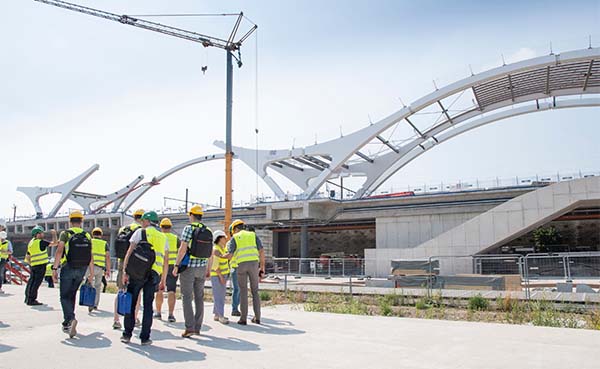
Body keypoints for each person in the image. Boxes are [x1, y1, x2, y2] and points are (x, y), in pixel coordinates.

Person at [120, 211, 168, 346]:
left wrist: (125, 271)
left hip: (137, 272)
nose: (142, 223)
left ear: (147, 221)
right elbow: (165, 260)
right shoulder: (162, 237)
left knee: (132, 302)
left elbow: (129, 252)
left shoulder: (140, 232)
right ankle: (145, 337)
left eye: (143, 221)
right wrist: (163, 279)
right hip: (154, 274)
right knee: (148, 305)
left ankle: (127, 334)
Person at [52, 211, 94, 338]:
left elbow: (59, 251)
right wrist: (91, 273)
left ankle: (70, 319)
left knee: (64, 296)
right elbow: (90, 255)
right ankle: (68, 322)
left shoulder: (66, 233)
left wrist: (54, 268)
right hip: (82, 268)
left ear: (70, 221)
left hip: (68, 266)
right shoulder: (86, 234)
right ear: (81, 222)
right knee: (72, 294)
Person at [172, 205, 210, 338]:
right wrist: (208, 269)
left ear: (191, 215)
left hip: (189, 267)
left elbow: (182, 249)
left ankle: (189, 328)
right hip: (202, 267)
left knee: (186, 297)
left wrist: (176, 265)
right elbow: (209, 253)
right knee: (199, 297)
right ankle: (198, 327)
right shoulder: (207, 230)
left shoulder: (188, 228)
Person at [227, 219, 265, 325]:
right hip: (253, 265)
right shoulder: (253, 235)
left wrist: (219, 255)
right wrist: (262, 268)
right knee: (255, 291)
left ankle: (243, 319)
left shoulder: (235, 237)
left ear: (235, 229)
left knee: (243, 291)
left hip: (241, 266)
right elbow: (261, 251)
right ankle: (257, 318)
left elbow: (230, 255)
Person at [112, 209, 144, 330]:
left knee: (121, 290)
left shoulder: (123, 229)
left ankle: (116, 319)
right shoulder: (141, 231)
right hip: (135, 264)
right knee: (137, 292)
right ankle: (134, 318)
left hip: (122, 262)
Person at [24, 226, 57, 305]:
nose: (43, 234)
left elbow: (28, 256)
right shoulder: (40, 242)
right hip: (41, 265)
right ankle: (32, 300)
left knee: (31, 281)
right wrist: (54, 234)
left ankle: (27, 298)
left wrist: (31, 264)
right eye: (42, 233)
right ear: (37, 234)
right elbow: (55, 243)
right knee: (36, 283)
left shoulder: (31, 242)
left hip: (33, 265)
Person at [154, 217, 179, 322]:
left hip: (160, 266)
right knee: (171, 291)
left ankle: (158, 313)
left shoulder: (158, 237)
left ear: (161, 227)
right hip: (173, 267)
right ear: (170, 227)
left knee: (159, 290)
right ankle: (171, 315)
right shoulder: (176, 238)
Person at [207, 230, 230, 324]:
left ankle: (217, 314)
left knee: (220, 295)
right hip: (217, 276)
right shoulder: (216, 250)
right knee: (219, 296)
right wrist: (221, 277)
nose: (226, 239)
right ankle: (221, 316)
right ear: (219, 238)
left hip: (221, 275)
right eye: (224, 237)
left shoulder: (222, 248)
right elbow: (215, 266)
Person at [86, 227, 111, 312]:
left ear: (93, 234)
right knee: (97, 286)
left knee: (89, 284)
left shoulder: (90, 241)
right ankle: (95, 304)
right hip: (100, 268)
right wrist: (108, 269)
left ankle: (89, 302)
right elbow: (107, 257)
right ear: (101, 235)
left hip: (89, 267)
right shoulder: (105, 244)